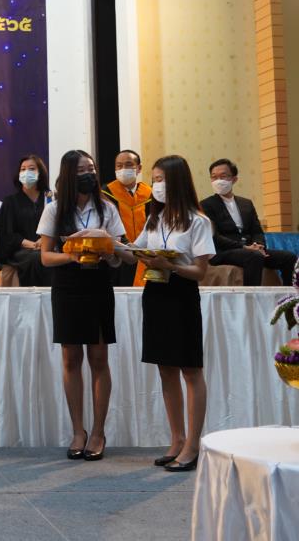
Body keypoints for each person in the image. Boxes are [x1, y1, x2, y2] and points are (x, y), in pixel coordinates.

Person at [116, 155, 214, 472]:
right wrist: (107, 242)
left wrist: (169, 265)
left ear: (177, 181)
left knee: (190, 370)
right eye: (154, 179)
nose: (156, 185)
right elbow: (133, 253)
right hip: (155, 293)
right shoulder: (155, 219)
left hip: (182, 295)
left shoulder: (197, 221)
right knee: (166, 369)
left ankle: (193, 445)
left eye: (161, 179)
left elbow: (200, 272)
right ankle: (176, 439)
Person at [37, 150, 125, 462]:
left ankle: (98, 432)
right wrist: (72, 255)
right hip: (67, 286)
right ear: (68, 175)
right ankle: (78, 430)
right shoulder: (54, 209)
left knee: (99, 358)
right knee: (71, 358)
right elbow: (45, 257)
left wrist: (109, 252)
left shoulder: (108, 207)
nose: (89, 174)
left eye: (92, 169)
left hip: (99, 283)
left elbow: (120, 256)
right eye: (81, 170)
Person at [201, 158, 296, 286]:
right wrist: (244, 247)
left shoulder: (246, 203)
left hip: (250, 249)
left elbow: (257, 230)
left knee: (289, 257)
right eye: (214, 177)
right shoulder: (206, 205)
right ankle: (251, 295)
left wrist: (259, 246)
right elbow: (215, 237)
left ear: (234, 179)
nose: (218, 181)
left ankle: (289, 295)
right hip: (223, 251)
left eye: (223, 176)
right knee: (254, 257)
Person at [0, 155, 52, 285]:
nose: (26, 172)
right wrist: (32, 244)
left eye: (31, 169)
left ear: (40, 173)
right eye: (23, 169)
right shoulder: (10, 202)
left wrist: (45, 240)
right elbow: (7, 234)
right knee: (36, 257)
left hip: (48, 246)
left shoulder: (50, 199)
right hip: (20, 251)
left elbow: (58, 226)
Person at [103, 149, 152, 286]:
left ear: (139, 168)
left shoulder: (151, 194)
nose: (123, 169)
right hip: (117, 256)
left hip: (146, 256)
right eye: (119, 166)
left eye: (129, 165)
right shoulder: (105, 194)